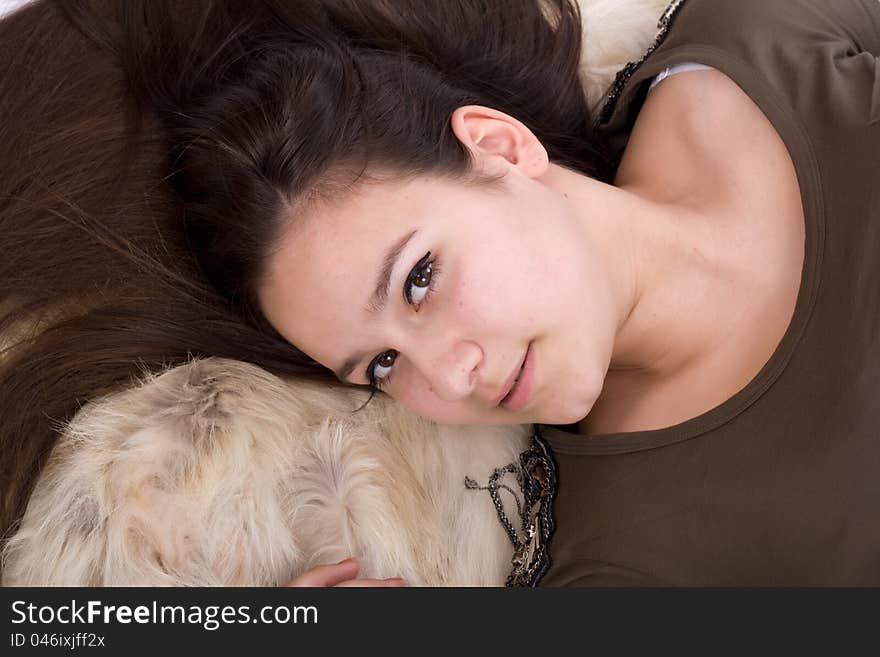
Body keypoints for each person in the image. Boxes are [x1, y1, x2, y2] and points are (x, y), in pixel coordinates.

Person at [1, 0, 878, 586]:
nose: (449, 377)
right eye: (381, 364)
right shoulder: (629, 554)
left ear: (500, 146)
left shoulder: (764, 39)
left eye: (421, 279)